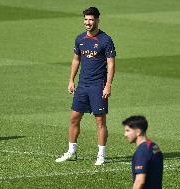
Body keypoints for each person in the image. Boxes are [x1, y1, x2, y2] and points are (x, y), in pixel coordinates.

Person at [55, 7, 116, 165]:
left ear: (97, 20)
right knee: (74, 118)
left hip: (98, 86)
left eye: (91, 20)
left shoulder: (105, 40)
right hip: (82, 86)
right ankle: (71, 151)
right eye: (86, 20)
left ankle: (101, 155)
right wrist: (71, 80)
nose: (88, 23)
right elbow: (76, 60)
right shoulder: (80, 39)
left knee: (100, 122)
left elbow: (111, 64)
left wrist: (108, 85)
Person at [122, 115, 163, 189]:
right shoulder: (154, 146)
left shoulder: (142, 152)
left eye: (128, 131)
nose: (125, 134)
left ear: (138, 132)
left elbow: (140, 181)